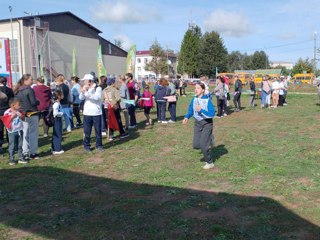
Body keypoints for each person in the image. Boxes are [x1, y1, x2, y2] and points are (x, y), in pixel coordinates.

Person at [182, 83, 216, 170]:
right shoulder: (194, 99)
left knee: (203, 145)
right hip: (197, 123)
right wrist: (186, 117)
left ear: (203, 90)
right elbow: (190, 110)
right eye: (195, 88)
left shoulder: (207, 100)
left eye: (198, 88)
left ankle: (209, 162)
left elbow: (212, 113)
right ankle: (210, 139)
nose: (196, 90)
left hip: (207, 123)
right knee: (196, 144)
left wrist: (201, 110)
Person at [14, 74, 40, 160]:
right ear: (25, 80)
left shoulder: (17, 90)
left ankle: (25, 153)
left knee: (25, 133)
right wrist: (38, 101)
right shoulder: (29, 89)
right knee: (33, 133)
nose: (32, 81)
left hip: (22, 113)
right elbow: (33, 102)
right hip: (31, 112)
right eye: (31, 79)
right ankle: (33, 153)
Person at [79, 74, 104, 152]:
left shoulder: (98, 88)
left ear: (89, 80)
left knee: (98, 131)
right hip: (87, 113)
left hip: (96, 113)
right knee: (87, 131)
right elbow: (81, 98)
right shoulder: (85, 87)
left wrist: (86, 93)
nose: (84, 82)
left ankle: (99, 145)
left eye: (85, 80)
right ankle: (86, 145)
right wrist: (83, 92)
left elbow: (97, 98)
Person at [3, 98, 28, 165]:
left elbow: (24, 119)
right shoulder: (7, 112)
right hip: (12, 132)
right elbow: (5, 122)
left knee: (20, 145)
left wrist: (21, 116)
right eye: (18, 105)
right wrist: (12, 117)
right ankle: (11, 159)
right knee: (12, 145)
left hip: (20, 130)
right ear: (13, 105)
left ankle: (20, 157)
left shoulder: (19, 111)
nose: (20, 106)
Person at [0, 76, 14, 155]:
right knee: (8, 127)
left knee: (0, 129)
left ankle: (0, 145)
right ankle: (10, 143)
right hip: (7, 110)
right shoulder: (9, 90)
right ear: (5, 82)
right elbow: (12, 100)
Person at [51, 90, 65, 155]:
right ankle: (57, 149)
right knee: (58, 133)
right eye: (61, 94)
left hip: (58, 119)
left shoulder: (58, 102)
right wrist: (62, 113)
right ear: (58, 96)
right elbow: (55, 113)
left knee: (56, 133)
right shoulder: (56, 104)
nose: (63, 95)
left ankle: (54, 148)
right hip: (57, 119)